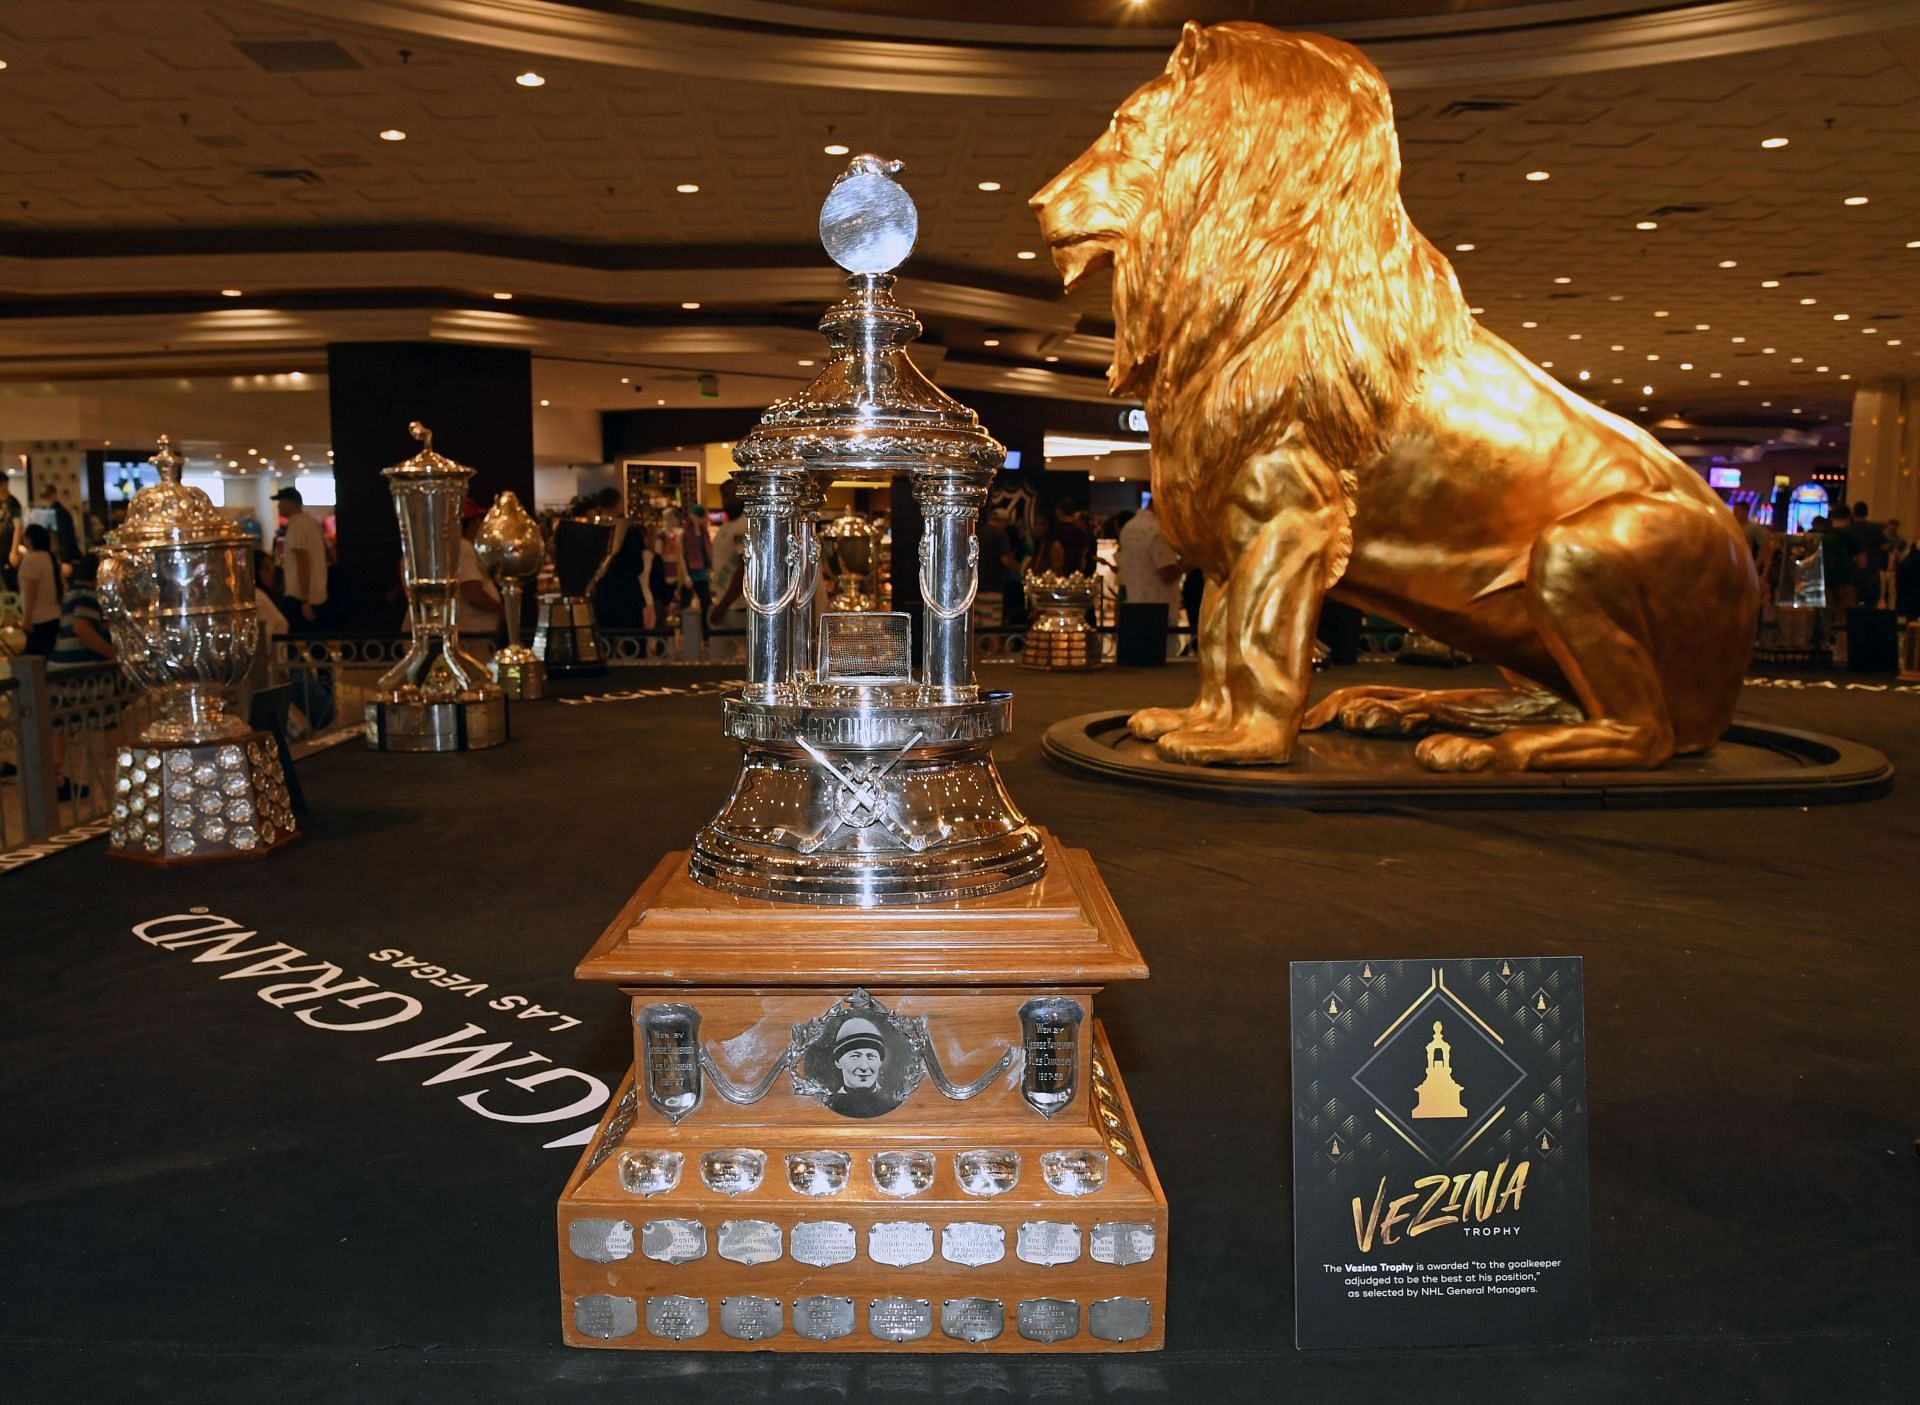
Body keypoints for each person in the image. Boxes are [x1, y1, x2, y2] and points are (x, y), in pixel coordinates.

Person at [274, 486, 330, 629]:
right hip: (318, 594)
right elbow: (330, 553)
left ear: (289, 502)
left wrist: (305, 599)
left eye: (280, 501)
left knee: (298, 642)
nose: (278, 505)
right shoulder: (312, 523)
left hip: (300, 596)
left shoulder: (297, 525)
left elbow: (302, 559)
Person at [49, 551, 113, 667]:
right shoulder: (87, 594)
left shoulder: (74, 591)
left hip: (61, 662)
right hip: (78, 665)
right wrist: (114, 655)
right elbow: (82, 629)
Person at [823, 1015, 893, 1118]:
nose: (864, 1067)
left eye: (871, 1056)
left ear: (880, 1062)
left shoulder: (892, 1102)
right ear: (838, 1062)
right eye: (855, 1056)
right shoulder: (828, 1104)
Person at [455, 499, 502, 645]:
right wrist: (503, 611)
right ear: (473, 523)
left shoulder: (457, 547)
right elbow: (473, 593)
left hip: (469, 635)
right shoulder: (463, 548)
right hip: (470, 638)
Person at [16, 523, 61, 656]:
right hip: (54, 615)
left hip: (38, 618)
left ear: (29, 540)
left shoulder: (31, 559)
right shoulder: (50, 557)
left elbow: (30, 592)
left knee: (35, 663)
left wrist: (27, 619)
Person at [1848, 501, 1888, 610]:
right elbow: (1885, 546)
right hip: (1872, 571)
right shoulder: (1874, 528)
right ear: (1867, 513)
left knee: (1852, 605)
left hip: (1853, 572)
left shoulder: (1849, 529)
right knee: (1871, 605)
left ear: (1853, 513)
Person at [1047, 496, 1093, 575]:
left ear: (1059, 511)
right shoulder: (1082, 533)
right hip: (1076, 574)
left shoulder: (1055, 532)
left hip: (1059, 574)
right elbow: (1083, 557)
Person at [40, 482, 80, 564]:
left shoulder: (59, 512)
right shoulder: (55, 511)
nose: (47, 500)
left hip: (62, 553)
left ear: (54, 495)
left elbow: (63, 535)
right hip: (59, 552)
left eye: (48, 497)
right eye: (46, 498)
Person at [0, 469, 22, 591]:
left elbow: (18, 526)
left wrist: (14, 551)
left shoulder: (13, 503)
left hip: (7, 547)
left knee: (10, 581)